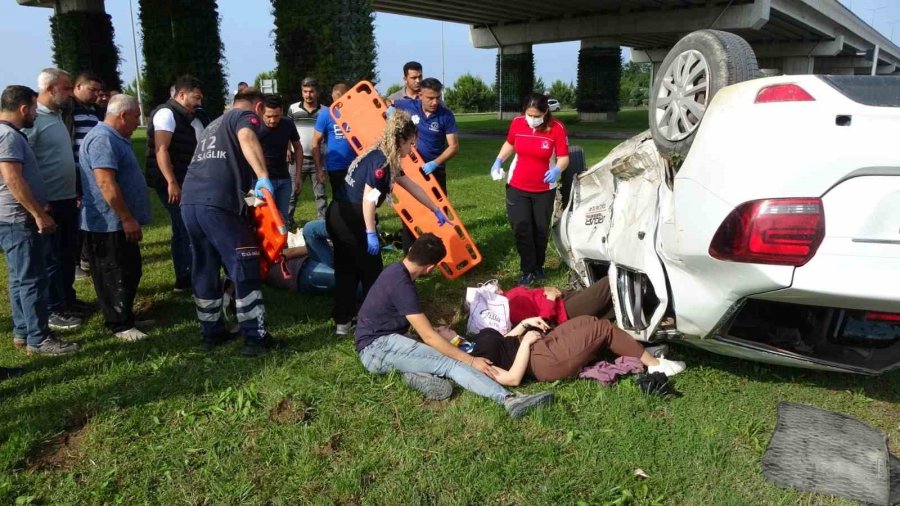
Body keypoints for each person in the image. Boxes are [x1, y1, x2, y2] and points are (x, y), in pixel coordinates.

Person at [356, 233, 554, 418]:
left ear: (410, 252)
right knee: (450, 360)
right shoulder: (403, 287)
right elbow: (429, 337)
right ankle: (509, 400)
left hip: (382, 343)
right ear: (430, 268)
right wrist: (470, 360)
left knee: (438, 352)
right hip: (376, 348)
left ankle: (415, 374)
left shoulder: (394, 271)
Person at [326, 110, 450, 336]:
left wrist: (435, 208)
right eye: (411, 143)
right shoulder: (381, 165)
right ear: (400, 140)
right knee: (371, 272)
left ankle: (343, 321)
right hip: (352, 218)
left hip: (338, 212)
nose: (412, 149)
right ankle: (376, 321)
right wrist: (370, 232)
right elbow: (369, 199)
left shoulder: (381, 154)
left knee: (346, 269)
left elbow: (409, 184)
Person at [180, 88, 277, 357]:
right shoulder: (245, 117)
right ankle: (255, 338)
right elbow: (247, 136)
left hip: (190, 202)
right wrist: (262, 176)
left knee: (205, 266)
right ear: (258, 108)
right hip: (217, 205)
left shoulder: (214, 123)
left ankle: (211, 333)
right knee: (244, 263)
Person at [0, 85, 79, 356]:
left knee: (20, 277)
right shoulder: (8, 137)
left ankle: (23, 331)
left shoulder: (8, 134)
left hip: (11, 217)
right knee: (32, 278)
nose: (35, 113)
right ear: (23, 108)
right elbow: (12, 178)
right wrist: (37, 213)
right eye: (33, 108)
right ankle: (38, 337)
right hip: (18, 219)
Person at [79, 94, 152, 342]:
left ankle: (126, 316)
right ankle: (119, 324)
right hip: (108, 224)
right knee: (114, 273)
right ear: (122, 115)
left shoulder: (115, 138)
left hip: (118, 223)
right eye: (135, 117)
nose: (137, 121)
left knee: (130, 270)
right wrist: (126, 218)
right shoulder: (102, 139)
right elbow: (105, 182)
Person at [442, 315, 685, 385]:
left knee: (589, 320)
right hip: (541, 361)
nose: (444, 326)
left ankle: (638, 351)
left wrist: (524, 323)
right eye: (438, 329)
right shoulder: (470, 360)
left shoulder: (471, 342)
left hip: (537, 344)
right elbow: (511, 378)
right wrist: (526, 344)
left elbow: (504, 341)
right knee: (602, 329)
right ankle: (655, 366)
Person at [23, 67, 85, 330]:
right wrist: (37, 203)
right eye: (67, 87)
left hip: (67, 197)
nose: (71, 93)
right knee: (50, 258)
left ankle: (67, 299)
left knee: (67, 253)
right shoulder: (34, 119)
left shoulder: (59, 116)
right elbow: (22, 162)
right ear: (49, 89)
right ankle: (53, 309)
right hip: (48, 201)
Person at [490, 93, 570, 286]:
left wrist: (557, 170)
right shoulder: (518, 123)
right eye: (529, 114)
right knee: (522, 228)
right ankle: (528, 270)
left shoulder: (557, 128)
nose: (532, 119)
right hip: (517, 185)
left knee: (540, 229)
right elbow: (510, 143)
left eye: (536, 115)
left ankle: (538, 267)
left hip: (544, 188)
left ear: (545, 112)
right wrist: (499, 160)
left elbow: (564, 157)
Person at [146, 75, 208, 292]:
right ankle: (186, 277)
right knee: (184, 228)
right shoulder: (166, 114)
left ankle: (188, 275)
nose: (199, 102)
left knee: (184, 227)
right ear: (182, 94)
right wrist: (171, 182)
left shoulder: (192, 116)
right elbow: (161, 149)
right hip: (173, 182)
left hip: (186, 180)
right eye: (196, 97)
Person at [393, 77, 458, 251]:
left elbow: (453, 147)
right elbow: (387, 102)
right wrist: (389, 111)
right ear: (420, 95)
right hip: (411, 171)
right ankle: (409, 252)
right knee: (410, 211)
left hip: (434, 173)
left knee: (437, 211)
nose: (434, 101)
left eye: (437, 97)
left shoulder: (446, 115)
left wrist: (435, 163)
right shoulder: (409, 106)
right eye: (430, 98)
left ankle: (437, 251)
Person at [68, 71, 103, 281]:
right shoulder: (68, 111)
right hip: (75, 173)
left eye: (98, 90)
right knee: (75, 220)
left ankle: (87, 257)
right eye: (92, 90)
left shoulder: (92, 111)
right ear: (78, 87)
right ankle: (76, 263)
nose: (96, 94)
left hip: (91, 173)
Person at [257, 95, 301, 221]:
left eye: (276, 116)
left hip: (283, 179)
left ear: (282, 111)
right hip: (260, 181)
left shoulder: (288, 123)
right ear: (261, 112)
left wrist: (297, 175)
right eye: (268, 116)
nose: (272, 120)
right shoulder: (254, 126)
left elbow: (298, 148)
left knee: (283, 218)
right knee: (264, 219)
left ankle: (283, 241)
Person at [287, 77, 325, 223]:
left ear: (317, 93)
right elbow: (286, 131)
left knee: (320, 194)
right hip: (297, 159)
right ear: (301, 92)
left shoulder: (325, 111)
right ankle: (287, 223)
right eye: (305, 91)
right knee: (292, 193)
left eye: (311, 91)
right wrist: (287, 149)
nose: (308, 95)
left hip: (318, 159)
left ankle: (323, 224)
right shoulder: (293, 109)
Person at [505, 278, 615, 326]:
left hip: (561, 298)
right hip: (562, 313)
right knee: (609, 282)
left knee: (611, 304)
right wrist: (551, 299)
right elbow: (540, 322)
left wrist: (544, 289)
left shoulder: (497, 296)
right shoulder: (504, 310)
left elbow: (529, 296)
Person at [264, 219, 335, 294]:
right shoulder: (267, 256)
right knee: (310, 228)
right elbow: (290, 252)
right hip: (301, 272)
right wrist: (328, 245)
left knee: (310, 229)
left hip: (305, 269)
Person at [312, 83, 356, 199]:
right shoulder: (326, 115)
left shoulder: (355, 113)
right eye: (335, 99)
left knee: (358, 197)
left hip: (356, 164)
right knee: (340, 197)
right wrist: (319, 169)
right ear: (332, 97)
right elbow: (315, 142)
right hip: (336, 166)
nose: (337, 104)